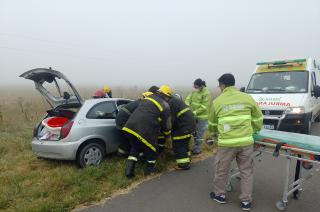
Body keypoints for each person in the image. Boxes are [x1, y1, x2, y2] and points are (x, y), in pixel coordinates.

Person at [207, 73, 263, 211]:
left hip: (226, 144)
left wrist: (214, 134)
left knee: (221, 170)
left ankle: (220, 195)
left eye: (219, 85)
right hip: (246, 142)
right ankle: (246, 202)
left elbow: (212, 123)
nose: (219, 88)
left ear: (223, 85)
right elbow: (258, 118)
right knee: (246, 171)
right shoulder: (247, 98)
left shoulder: (217, 101)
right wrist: (254, 131)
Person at [122, 85, 172, 178]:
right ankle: (148, 173)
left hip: (129, 127)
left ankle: (129, 172)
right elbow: (167, 123)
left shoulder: (149, 97)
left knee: (135, 148)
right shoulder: (165, 105)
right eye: (168, 97)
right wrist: (167, 134)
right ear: (166, 96)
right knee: (154, 150)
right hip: (144, 130)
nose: (168, 99)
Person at [115, 86, 159, 156]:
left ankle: (122, 153)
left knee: (124, 138)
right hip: (124, 120)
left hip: (119, 119)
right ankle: (138, 154)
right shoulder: (144, 105)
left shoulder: (138, 102)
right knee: (135, 138)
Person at [168, 94, 196, 170]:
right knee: (184, 144)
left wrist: (167, 130)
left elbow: (171, 120)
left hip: (183, 128)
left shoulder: (171, 104)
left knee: (178, 145)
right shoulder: (177, 101)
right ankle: (188, 160)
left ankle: (184, 165)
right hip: (189, 126)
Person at [185, 78, 211, 154]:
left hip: (202, 117)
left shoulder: (206, 93)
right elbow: (188, 99)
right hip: (193, 116)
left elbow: (204, 106)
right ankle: (193, 147)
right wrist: (186, 106)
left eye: (196, 87)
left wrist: (194, 112)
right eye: (194, 87)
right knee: (193, 132)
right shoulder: (194, 91)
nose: (195, 88)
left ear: (201, 86)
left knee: (199, 133)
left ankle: (197, 149)